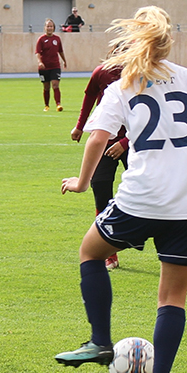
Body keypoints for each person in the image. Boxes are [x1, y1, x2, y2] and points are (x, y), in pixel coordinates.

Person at [54, 6, 187, 373]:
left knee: (90, 253)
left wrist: (82, 182)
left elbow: (96, 139)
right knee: (172, 299)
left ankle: (101, 341)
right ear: (168, 40)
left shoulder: (122, 86)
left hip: (141, 198)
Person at [71, 52, 129, 270]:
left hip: (134, 142)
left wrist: (124, 142)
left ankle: (168, 249)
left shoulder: (139, 75)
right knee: (101, 188)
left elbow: (148, 116)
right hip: (105, 140)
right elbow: (89, 96)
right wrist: (80, 125)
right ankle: (109, 252)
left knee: (147, 192)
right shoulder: (102, 72)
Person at [36, 19, 67, 112]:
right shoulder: (41, 39)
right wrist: (40, 62)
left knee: (55, 85)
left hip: (55, 66)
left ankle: (58, 104)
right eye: (48, 26)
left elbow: (60, 51)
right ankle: (47, 105)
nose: (49, 28)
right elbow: (37, 52)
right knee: (46, 87)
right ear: (45, 28)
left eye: (51, 26)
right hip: (44, 67)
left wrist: (64, 60)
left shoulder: (57, 39)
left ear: (54, 28)